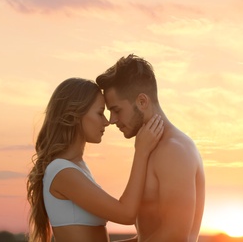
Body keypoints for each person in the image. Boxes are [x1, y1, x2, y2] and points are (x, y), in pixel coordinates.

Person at [26, 77, 164, 242]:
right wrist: (141, 151)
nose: (107, 122)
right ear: (75, 115)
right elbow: (126, 214)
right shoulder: (62, 171)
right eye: (100, 113)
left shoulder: (77, 167)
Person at [96, 54, 206, 242]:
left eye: (117, 110)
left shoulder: (174, 150)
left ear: (142, 102)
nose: (112, 120)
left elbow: (175, 235)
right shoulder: (149, 146)